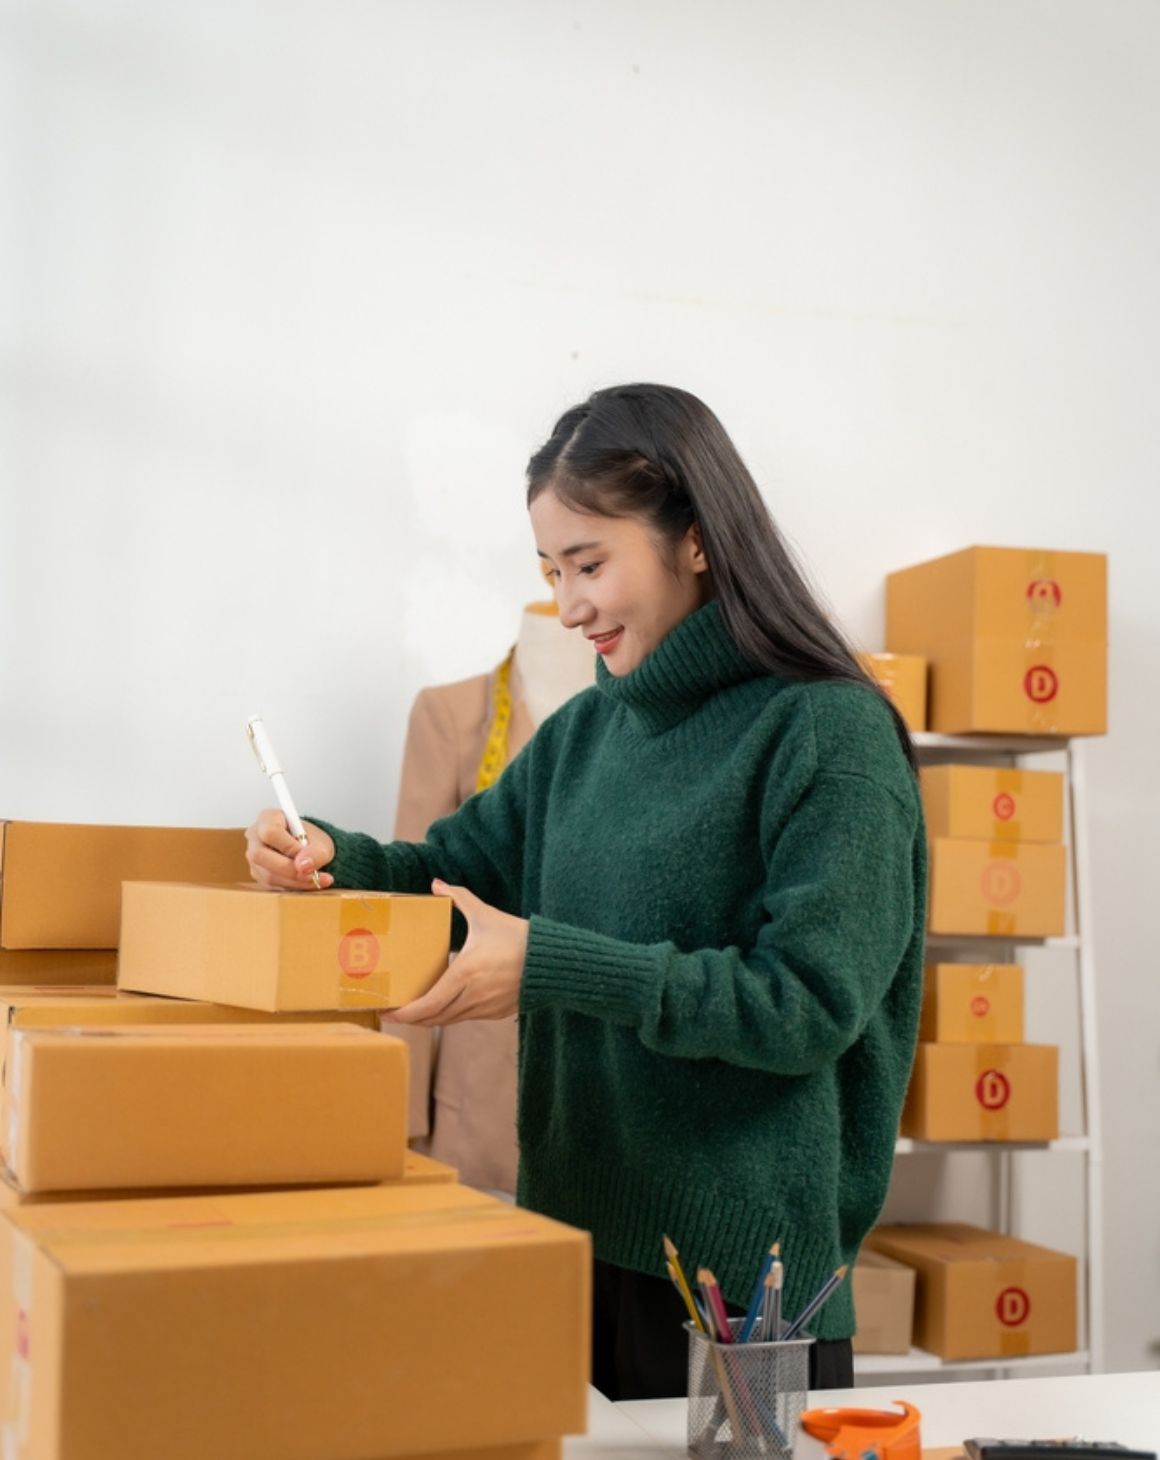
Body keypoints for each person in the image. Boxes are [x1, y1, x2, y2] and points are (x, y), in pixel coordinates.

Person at [245, 383, 927, 1401]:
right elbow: (447, 870)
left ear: (693, 539)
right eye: (550, 570)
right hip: (568, 1236)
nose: (566, 606)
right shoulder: (583, 736)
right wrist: (325, 857)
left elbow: (803, 1005)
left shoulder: (825, 734)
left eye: (590, 563)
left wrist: (549, 962)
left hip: (735, 1288)